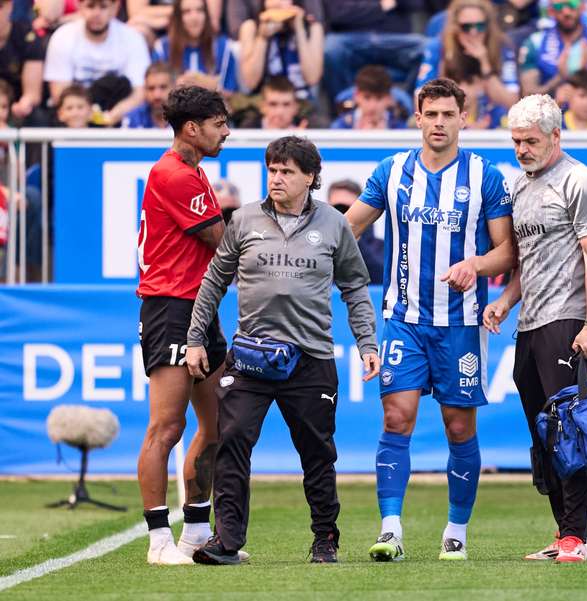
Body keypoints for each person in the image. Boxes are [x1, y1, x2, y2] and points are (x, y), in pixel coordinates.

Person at [186, 136, 381, 565]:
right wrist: (196, 338)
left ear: (310, 177)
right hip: (251, 356)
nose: (277, 177)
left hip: (310, 358)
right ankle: (227, 541)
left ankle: (325, 538)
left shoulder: (334, 223)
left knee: (317, 452)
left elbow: (354, 286)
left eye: (287, 171)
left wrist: (367, 342)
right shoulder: (243, 220)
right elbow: (214, 280)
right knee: (232, 441)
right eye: (272, 169)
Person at [344, 78, 516, 562]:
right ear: (417, 118)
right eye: (430, 114)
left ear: (465, 119)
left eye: (448, 114)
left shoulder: (486, 176)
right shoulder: (392, 170)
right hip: (403, 319)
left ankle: (456, 530)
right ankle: (391, 530)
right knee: (396, 418)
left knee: (459, 429)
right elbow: (349, 227)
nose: (439, 123)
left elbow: (507, 252)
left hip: (461, 324)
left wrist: (475, 266)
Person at [482, 93, 587, 563]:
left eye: (530, 141)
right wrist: (504, 301)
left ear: (556, 135)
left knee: (570, 431)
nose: (521, 149)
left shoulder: (579, 181)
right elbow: (527, 262)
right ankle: (564, 534)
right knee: (544, 436)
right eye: (516, 141)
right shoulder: (520, 186)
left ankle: (578, 536)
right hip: (530, 323)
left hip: (568, 321)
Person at [135, 85, 236, 566]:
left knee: (217, 425)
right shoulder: (173, 174)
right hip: (170, 307)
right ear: (192, 128)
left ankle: (195, 531)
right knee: (166, 427)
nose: (226, 132)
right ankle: (159, 540)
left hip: (201, 305)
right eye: (219, 124)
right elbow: (222, 241)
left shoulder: (192, 172)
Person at [43, 0, 150, 126]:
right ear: (79, 6)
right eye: (90, 6)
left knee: (119, 84)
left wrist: (111, 116)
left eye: (103, 7)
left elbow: (139, 92)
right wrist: (85, 115)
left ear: (115, 7)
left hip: (117, 116)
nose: (96, 13)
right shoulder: (62, 37)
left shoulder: (132, 38)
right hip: (73, 116)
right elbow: (60, 94)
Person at [416, 0, 519, 109]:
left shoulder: (502, 46)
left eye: (480, 26)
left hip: (494, 122)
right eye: (466, 27)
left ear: (488, 26)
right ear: (455, 27)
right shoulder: (438, 47)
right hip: (451, 122)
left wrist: (485, 64)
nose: (473, 32)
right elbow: (419, 103)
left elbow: (512, 103)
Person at [518, 0, 587, 97]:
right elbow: (527, 96)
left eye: (572, 4)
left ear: (582, 7)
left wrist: (586, 76)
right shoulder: (535, 43)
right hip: (547, 113)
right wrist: (558, 78)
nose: (566, 12)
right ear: (551, 11)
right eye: (559, 7)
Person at [238, 0, 323, 101]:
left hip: (300, 101)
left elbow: (312, 78)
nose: (278, 3)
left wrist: (299, 31)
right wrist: (262, 38)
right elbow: (251, 82)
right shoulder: (250, 27)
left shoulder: (312, 27)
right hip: (263, 101)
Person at [152, 0, 240, 95]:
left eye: (200, 10)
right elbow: (155, 92)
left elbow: (230, 92)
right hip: (175, 107)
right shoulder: (162, 48)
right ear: (177, 17)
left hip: (211, 107)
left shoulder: (223, 47)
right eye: (187, 11)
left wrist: (210, 85)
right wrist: (177, 85)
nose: (194, 17)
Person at [327, 179, 383, 285]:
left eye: (349, 209)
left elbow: (380, 278)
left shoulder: (381, 247)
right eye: (337, 208)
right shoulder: (316, 244)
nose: (343, 214)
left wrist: (355, 237)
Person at [0, 0, 46, 124]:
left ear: (10, 6)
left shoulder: (26, 36)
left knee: (37, 117)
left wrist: (24, 104)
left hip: (15, 107)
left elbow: (32, 93)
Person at [330, 65, 407, 130]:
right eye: (367, 98)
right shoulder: (340, 127)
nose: (372, 106)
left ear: (389, 99)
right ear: (356, 96)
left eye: (379, 98)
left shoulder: (400, 128)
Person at [122, 62, 175, 129]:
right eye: (151, 88)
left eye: (163, 87)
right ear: (145, 90)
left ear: (174, 88)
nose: (157, 95)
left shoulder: (185, 119)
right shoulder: (132, 119)